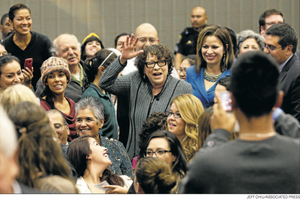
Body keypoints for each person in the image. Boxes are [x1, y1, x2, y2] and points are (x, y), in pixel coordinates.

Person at [179, 51, 300, 194]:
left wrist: (218, 134)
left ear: (231, 102)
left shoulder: (209, 163)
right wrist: (280, 117)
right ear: (279, 101)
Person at [99, 36, 193, 160]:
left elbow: (189, 126)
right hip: (133, 158)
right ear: (143, 68)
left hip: (165, 158)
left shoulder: (183, 88)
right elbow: (104, 82)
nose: (156, 67)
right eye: (150, 63)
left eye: (161, 62)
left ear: (168, 65)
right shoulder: (134, 80)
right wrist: (122, 60)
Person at [8, 101, 78, 193]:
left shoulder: (7, 181)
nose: (53, 131)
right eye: (49, 127)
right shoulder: (59, 188)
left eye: (57, 126)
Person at [75, 97, 133, 178]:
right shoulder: (70, 151)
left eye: (88, 119)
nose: (83, 124)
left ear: (101, 122)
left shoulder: (116, 147)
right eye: (79, 120)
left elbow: (130, 181)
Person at [1, 3, 52, 89]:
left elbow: (53, 67)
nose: (25, 23)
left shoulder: (43, 41)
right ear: (10, 22)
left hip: (44, 91)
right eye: (20, 19)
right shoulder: (5, 46)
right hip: (14, 91)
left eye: (28, 18)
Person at [185, 25, 234, 108]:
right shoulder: (190, 72)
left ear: (225, 48)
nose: (209, 51)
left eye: (214, 47)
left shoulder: (235, 74)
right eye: (205, 47)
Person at [67, 135, 132, 194]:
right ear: (86, 154)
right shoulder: (75, 190)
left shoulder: (123, 182)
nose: (105, 148)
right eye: (97, 144)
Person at [264, 23, 300, 122]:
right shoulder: (267, 67)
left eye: (271, 47)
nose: (266, 51)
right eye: (265, 45)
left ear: (288, 49)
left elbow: (296, 120)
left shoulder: (297, 75)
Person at [35, 34, 87, 103]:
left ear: (80, 51)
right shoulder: (47, 78)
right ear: (55, 54)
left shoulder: (91, 71)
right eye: (65, 50)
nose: (71, 53)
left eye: (74, 48)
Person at [81, 49, 119, 140]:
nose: (118, 73)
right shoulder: (91, 95)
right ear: (102, 70)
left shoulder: (106, 92)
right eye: (115, 70)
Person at [39, 57, 77, 141]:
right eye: (51, 76)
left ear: (67, 78)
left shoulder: (74, 105)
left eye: (61, 75)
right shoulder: (40, 107)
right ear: (46, 82)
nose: (57, 80)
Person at [167, 94, 204, 161]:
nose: (171, 118)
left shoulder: (199, 150)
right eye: (170, 113)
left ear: (190, 118)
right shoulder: (163, 143)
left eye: (178, 114)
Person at [174, 7, 208, 72]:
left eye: (198, 17)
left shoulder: (210, 34)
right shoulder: (185, 34)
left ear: (205, 19)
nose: (195, 19)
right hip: (188, 69)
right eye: (193, 17)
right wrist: (178, 71)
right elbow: (179, 55)